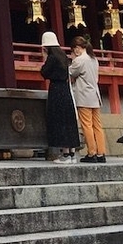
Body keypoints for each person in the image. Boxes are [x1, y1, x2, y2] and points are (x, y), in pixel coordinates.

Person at [39, 31, 79, 162]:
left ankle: (65, 154)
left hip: (56, 89)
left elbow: (44, 73)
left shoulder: (52, 58)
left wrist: (44, 57)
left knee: (60, 120)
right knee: (68, 119)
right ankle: (72, 153)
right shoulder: (63, 56)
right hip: (65, 89)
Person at [68, 35, 106, 162]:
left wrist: (72, 59)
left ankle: (91, 152)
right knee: (97, 126)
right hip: (95, 95)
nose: (73, 52)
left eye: (73, 50)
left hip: (84, 96)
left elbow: (70, 72)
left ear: (77, 48)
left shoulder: (79, 60)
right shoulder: (93, 59)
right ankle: (101, 153)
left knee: (87, 125)